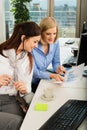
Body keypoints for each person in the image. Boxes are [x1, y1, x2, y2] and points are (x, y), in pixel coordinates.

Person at [0, 21, 41, 130]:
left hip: (10, 100)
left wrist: (24, 89)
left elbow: (28, 87)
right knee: (17, 123)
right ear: (23, 38)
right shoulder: (1, 53)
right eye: (35, 41)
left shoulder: (28, 59)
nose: (36, 46)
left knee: (25, 123)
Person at [32, 17, 66, 93]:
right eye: (48, 34)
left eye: (54, 33)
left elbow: (56, 62)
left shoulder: (55, 42)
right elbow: (34, 72)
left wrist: (58, 68)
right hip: (31, 83)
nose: (52, 37)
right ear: (41, 33)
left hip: (44, 80)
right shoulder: (33, 45)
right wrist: (52, 75)